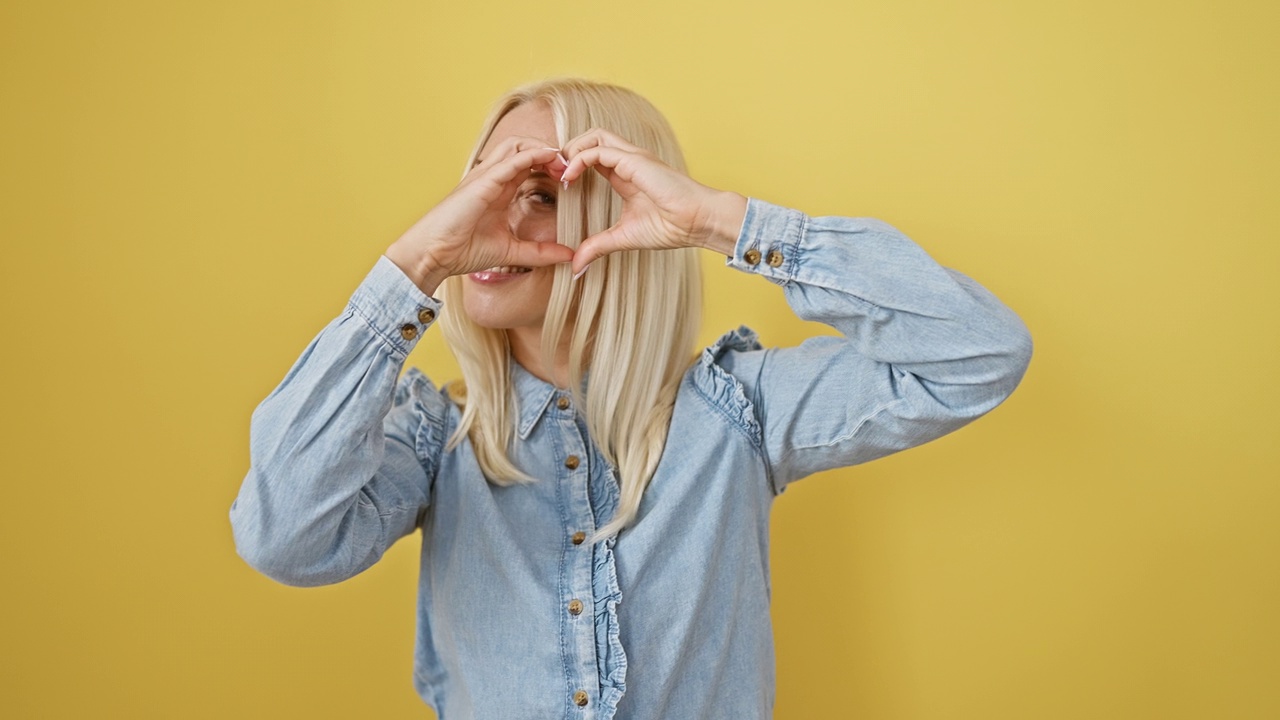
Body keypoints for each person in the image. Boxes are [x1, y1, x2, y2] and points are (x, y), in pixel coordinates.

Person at [230, 78, 1032, 719]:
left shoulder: (739, 412)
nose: (489, 221)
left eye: (539, 192)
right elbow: (283, 537)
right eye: (480, 187)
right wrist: (416, 260)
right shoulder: (434, 437)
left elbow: (979, 355)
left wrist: (721, 223)